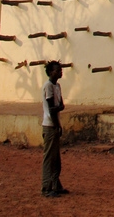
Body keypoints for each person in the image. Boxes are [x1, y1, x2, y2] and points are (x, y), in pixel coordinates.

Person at [41, 61, 67, 198]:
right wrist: (57, 125)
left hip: (55, 124)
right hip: (50, 125)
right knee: (49, 158)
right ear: (51, 72)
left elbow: (60, 105)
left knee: (56, 158)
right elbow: (53, 108)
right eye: (58, 70)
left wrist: (58, 109)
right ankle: (46, 187)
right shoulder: (48, 86)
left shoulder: (57, 86)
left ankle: (56, 185)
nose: (60, 72)